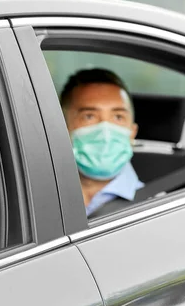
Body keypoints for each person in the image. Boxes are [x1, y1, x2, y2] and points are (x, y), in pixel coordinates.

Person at [60, 68, 143, 217]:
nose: (106, 131)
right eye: (89, 116)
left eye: (118, 117)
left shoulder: (160, 208)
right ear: (63, 129)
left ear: (133, 132)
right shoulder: (32, 198)